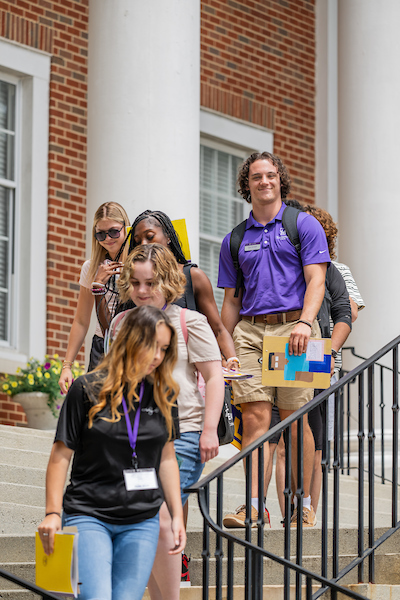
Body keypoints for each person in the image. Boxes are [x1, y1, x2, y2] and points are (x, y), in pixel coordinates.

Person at [38, 306, 186, 600]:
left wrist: (177, 514)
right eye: (152, 346)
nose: (158, 356)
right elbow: (60, 456)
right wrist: (53, 513)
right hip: (89, 514)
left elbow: (167, 459)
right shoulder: (85, 389)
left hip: (142, 520)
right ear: (131, 340)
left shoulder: (164, 394)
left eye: (164, 349)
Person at [218, 151, 330, 528]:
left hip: (295, 330)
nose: (264, 181)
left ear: (280, 179)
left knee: (297, 420)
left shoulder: (304, 225)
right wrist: (226, 350)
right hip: (250, 332)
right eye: (255, 177)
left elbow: (317, 279)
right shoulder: (234, 239)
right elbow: (231, 300)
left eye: (270, 175)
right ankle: (253, 507)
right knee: (255, 420)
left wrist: (305, 322)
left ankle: (304, 505)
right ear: (246, 186)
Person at [110, 243, 225, 600]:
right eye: (137, 283)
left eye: (152, 283)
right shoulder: (119, 324)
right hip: (132, 437)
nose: (143, 291)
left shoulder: (191, 323)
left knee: (158, 515)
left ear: (170, 282)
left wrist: (209, 430)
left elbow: (215, 376)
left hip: (184, 435)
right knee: (141, 519)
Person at [265, 201, 353, 519]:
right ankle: (284, 507)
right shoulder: (276, 263)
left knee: (309, 436)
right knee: (275, 437)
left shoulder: (327, 270)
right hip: (274, 352)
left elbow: (345, 313)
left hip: (312, 354)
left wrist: (327, 354)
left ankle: (305, 507)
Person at [128, 210, 238, 369]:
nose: (143, 245)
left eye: (150, 236)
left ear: (168, 237)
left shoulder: (193, 276)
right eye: (137, 242)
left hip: (187, 372)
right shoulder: (135, 282)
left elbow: (218, 330)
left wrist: (232, 360)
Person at [58, 202, 131, 394]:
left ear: (126, 228)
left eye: (114, 232)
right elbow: (81, 321)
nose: (108, 238)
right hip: (102, 346)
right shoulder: (91, 268)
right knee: (95, 414)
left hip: (133, 345)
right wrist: (67, 366)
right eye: (101, 234)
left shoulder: (139, 265)